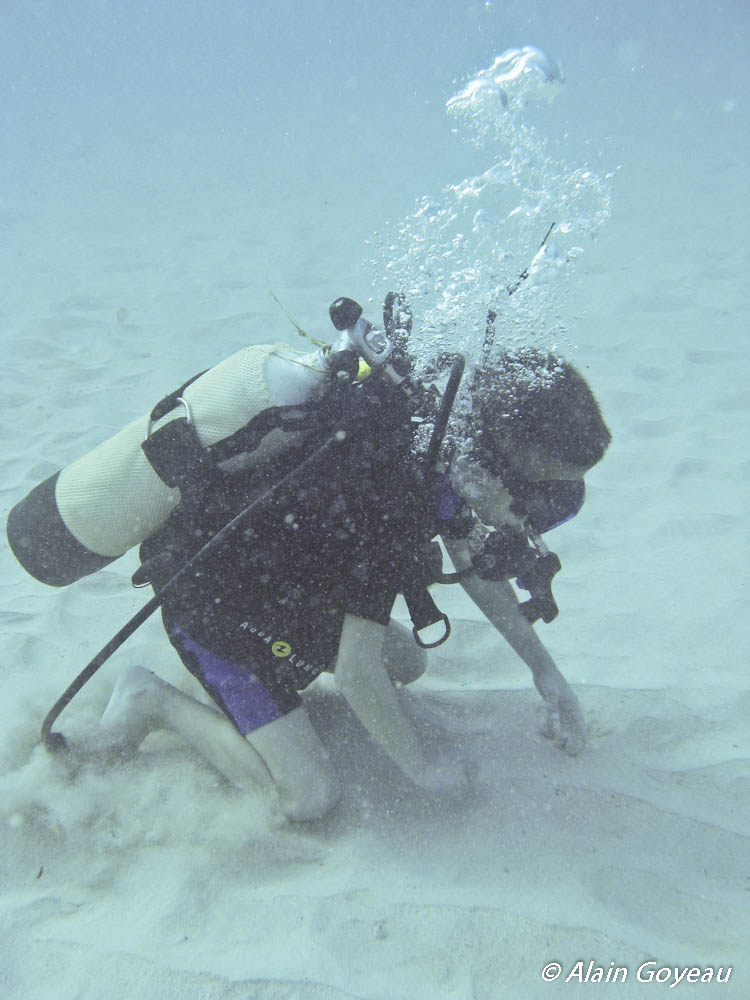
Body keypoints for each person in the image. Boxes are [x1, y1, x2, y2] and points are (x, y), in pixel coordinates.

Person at [8, 296, 610, 821]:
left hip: (285, 585)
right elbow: (355, 676)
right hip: (213, 601)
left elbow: (474, 568)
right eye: (539, 497)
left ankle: (277, 692)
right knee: (307, 798)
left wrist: (545, 672)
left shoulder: (435, 446)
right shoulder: (393, 490)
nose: (535, 521)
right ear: (491, 462)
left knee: (405, 660)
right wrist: (423, 770)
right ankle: (152, 702)